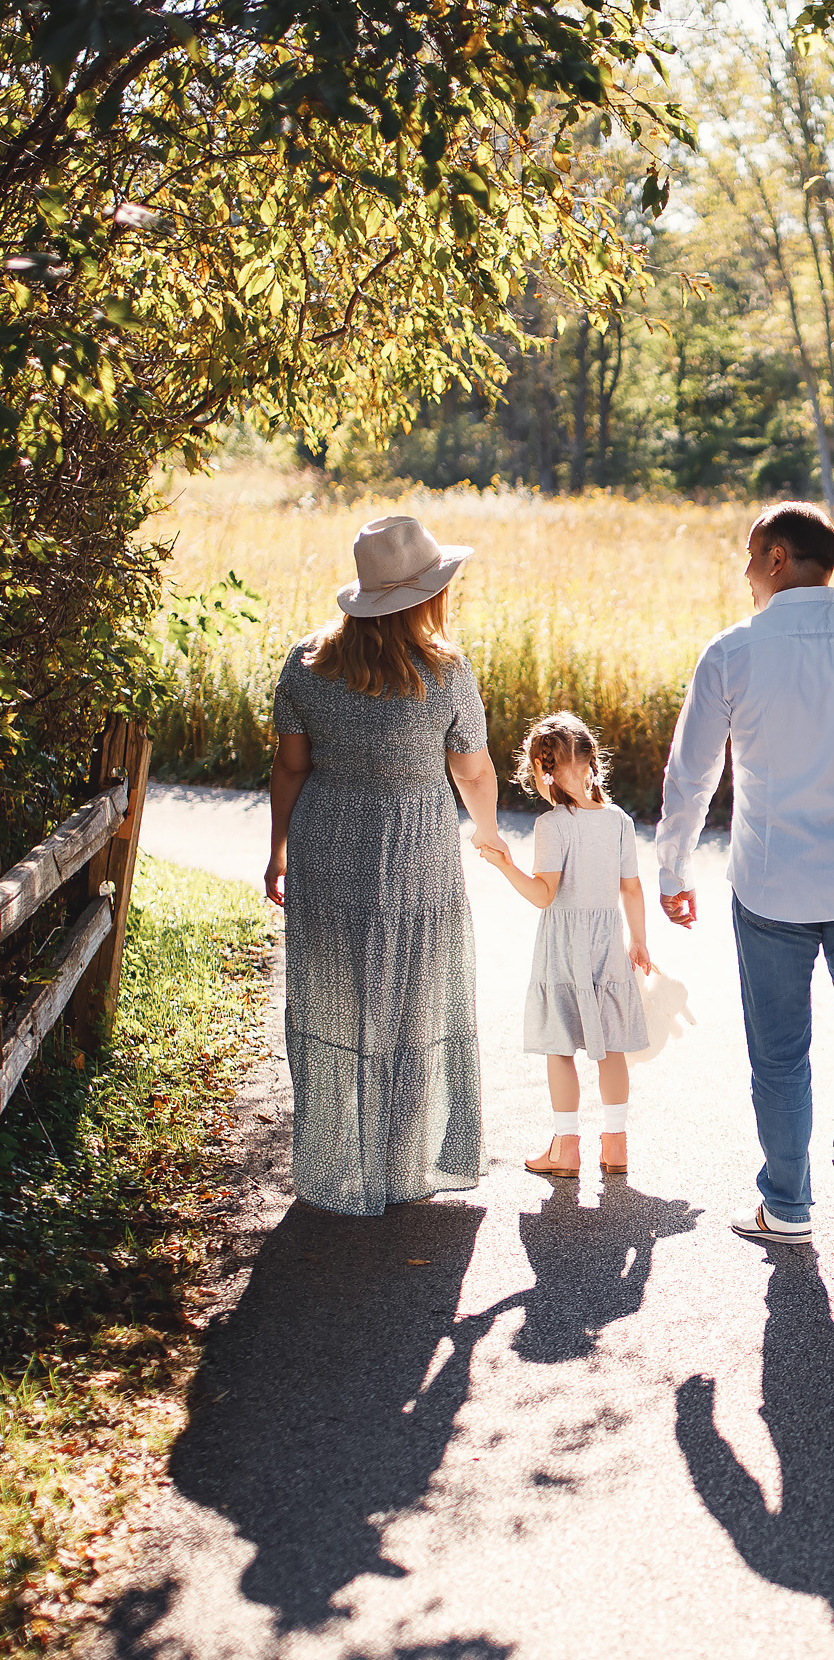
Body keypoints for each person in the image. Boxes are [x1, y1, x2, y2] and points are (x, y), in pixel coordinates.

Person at [651, 501, 834, 1255]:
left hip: (768, 883)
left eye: (751, 557)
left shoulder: (731, 651)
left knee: (780, 1049)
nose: (746, 572)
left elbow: (690, 776)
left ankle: (786, 1206)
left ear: (779, 556)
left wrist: (672, 867)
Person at [264, 515, 509, 1215]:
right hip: (415, 847)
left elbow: (289, 766)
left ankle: (338, 1159)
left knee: (338, 996)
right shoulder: (446, 670)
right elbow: (474, 770)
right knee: (412, 998)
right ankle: (402, 1164)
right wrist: (488, 834)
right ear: (426, 595)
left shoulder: (307, 662)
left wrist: (277, 848)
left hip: (328, 839)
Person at [472, 711, 655, 1179]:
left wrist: (503, 864)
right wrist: (639, 941)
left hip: (564, 945)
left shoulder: (552, 825)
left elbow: (543, 894)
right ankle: (615, 1144)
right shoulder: (619, 821)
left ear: (543, 770)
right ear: (592, 760)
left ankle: (566, 1146)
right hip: (608, 943)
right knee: (612, 1046)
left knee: (561, 1047)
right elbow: (631, 888)